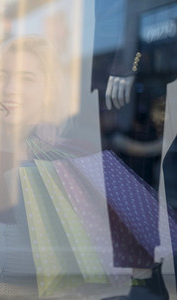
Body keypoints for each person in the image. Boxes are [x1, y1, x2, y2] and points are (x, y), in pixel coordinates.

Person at [0, 36, 94, 299]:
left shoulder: (75, 156)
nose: (11, 88)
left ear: (49, 90)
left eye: (27, 78)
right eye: (3, 76)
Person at [91, 1, 177, 299]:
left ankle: (147, 280)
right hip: (118, 80)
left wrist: (130, 64)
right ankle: (145, 279)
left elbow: (142, 12)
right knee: (136, 195)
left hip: (141, 74)